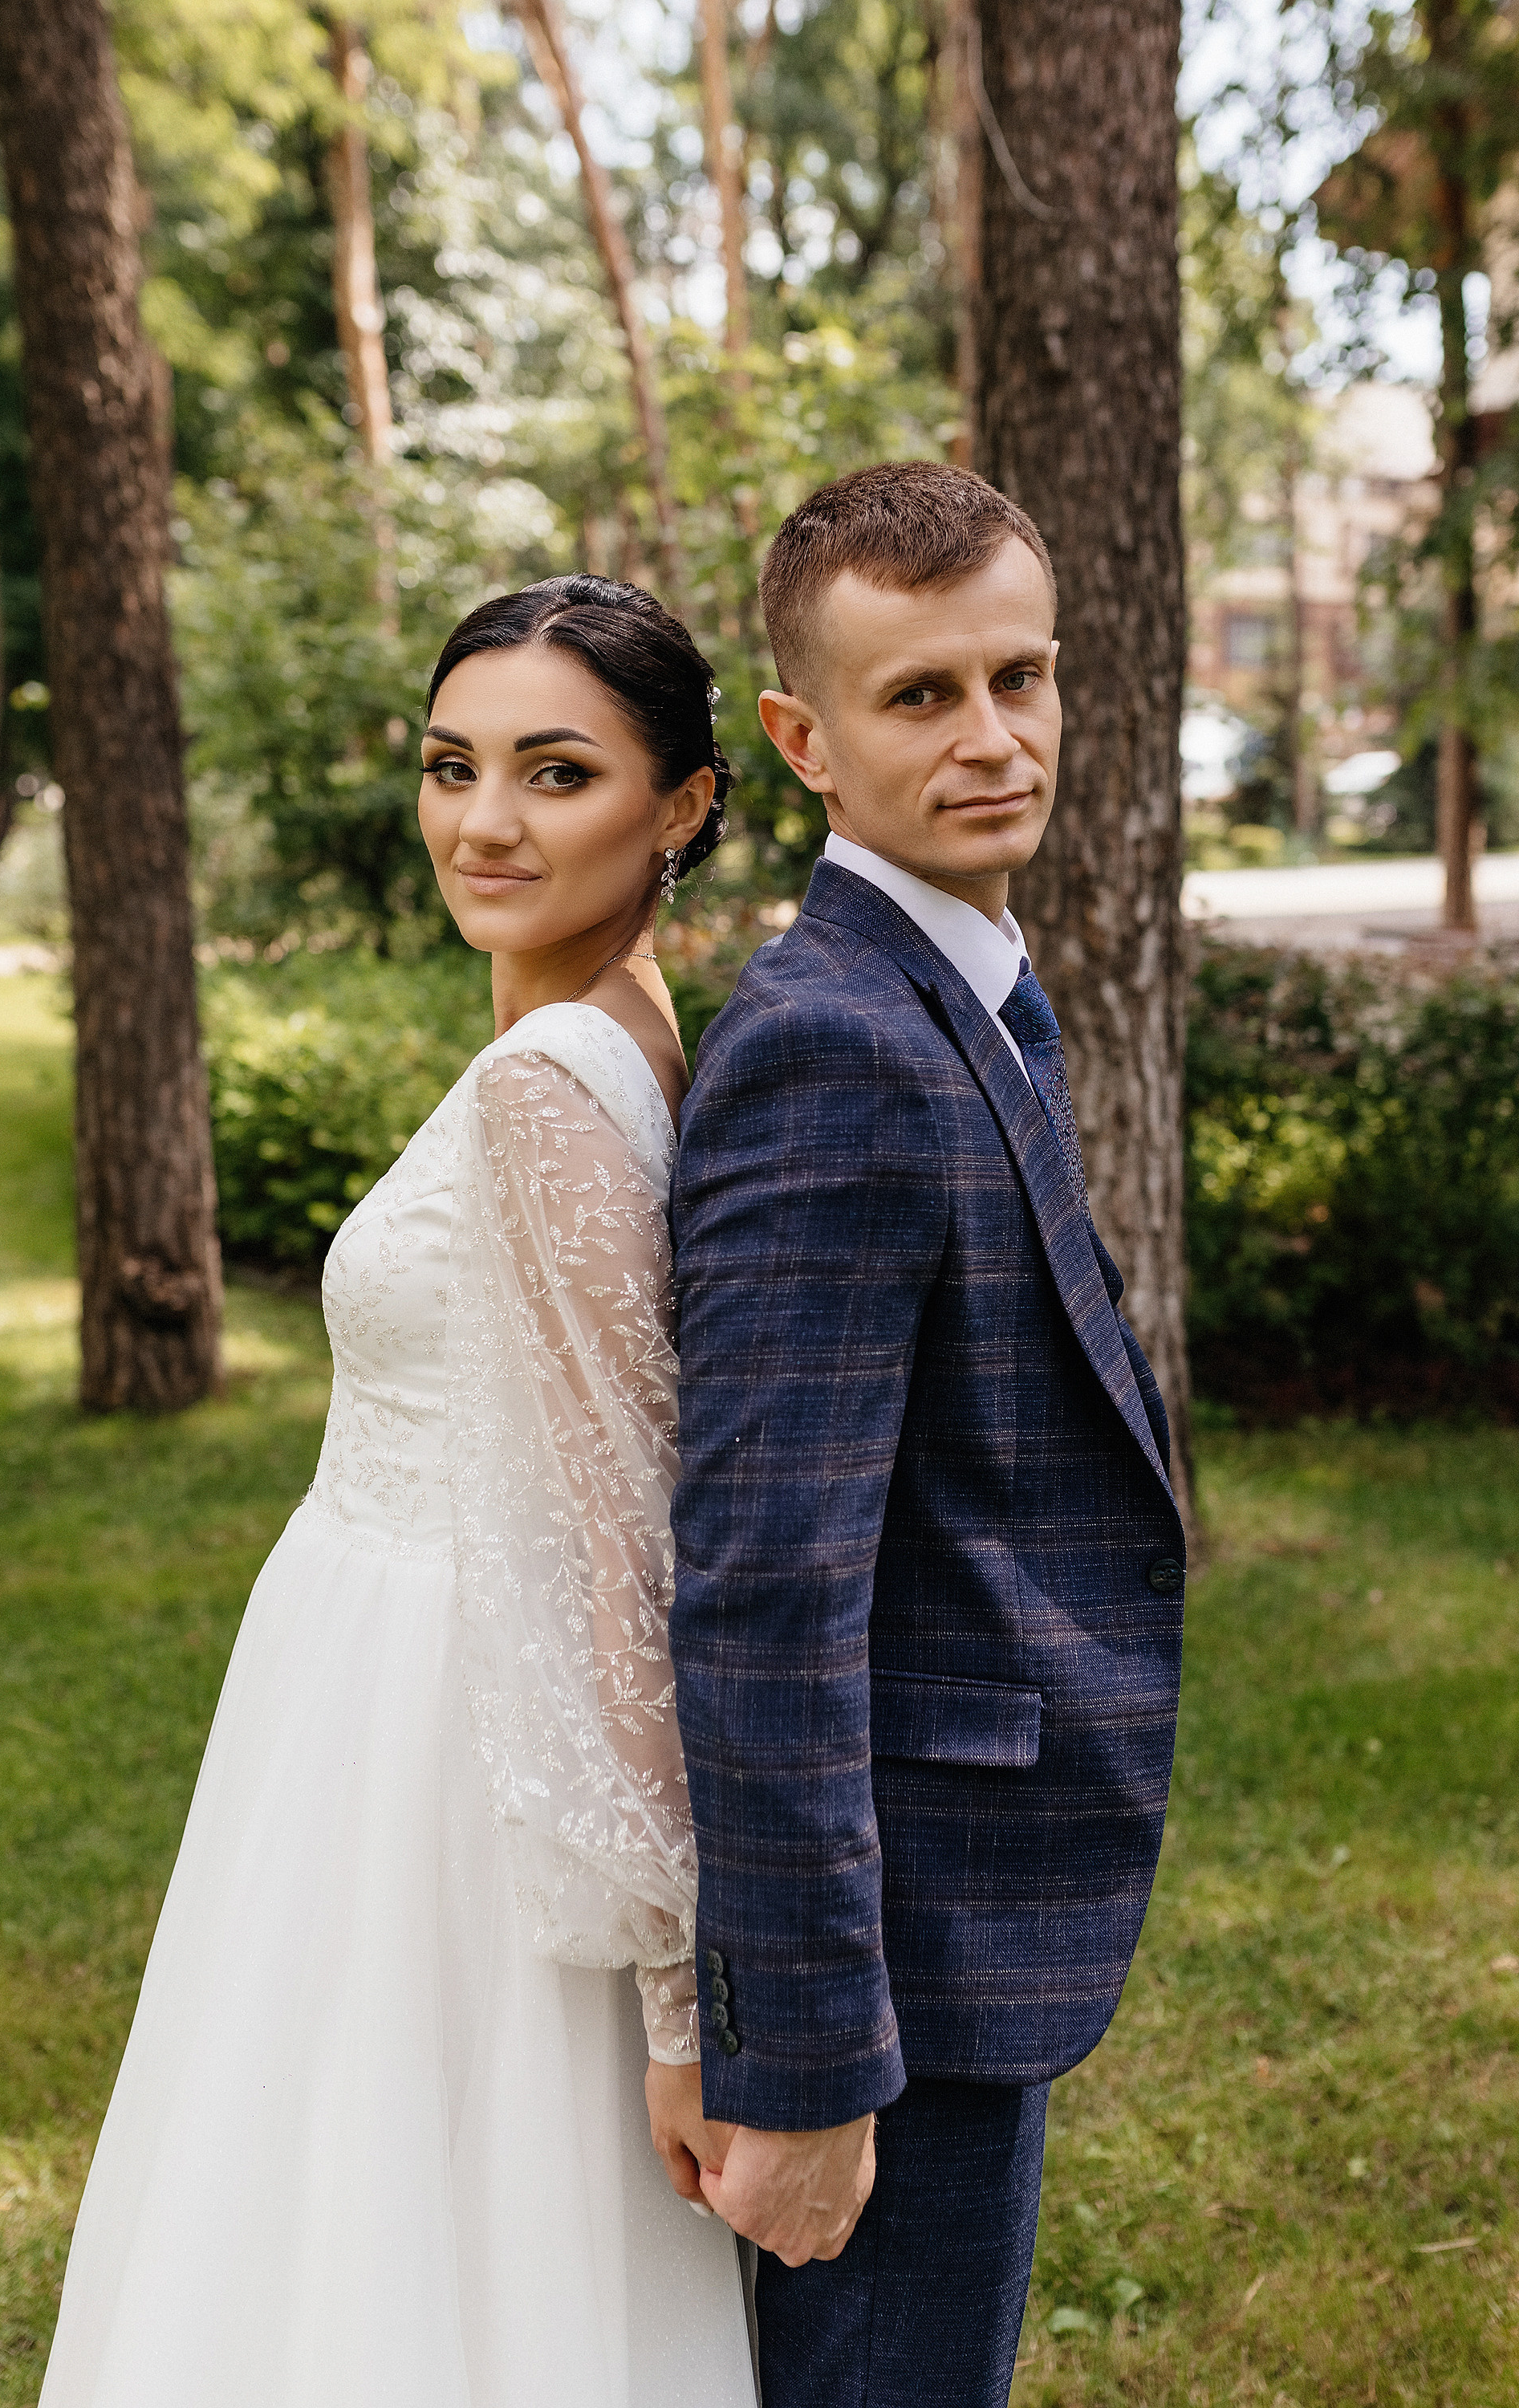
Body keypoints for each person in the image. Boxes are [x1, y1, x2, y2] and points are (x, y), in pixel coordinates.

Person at [38, 577, 757, 2408]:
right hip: (373, 1699)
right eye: (453, 766)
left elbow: (622, 1543)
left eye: (556, 771)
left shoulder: (550, 1089)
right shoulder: (631, 1028)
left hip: (441, 1749)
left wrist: (678, 2003)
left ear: (679, 804)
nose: (484, 821)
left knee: (389, 2239)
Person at [664, 462, 1188, 2406]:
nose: (994, 740)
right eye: (921, 698)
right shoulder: (836, 1048)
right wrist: (799, 2067)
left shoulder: (958, 992)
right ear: (801, 738)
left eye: (1021, 677)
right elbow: (757, 1598)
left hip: (965, 1924)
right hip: (892, 1968)